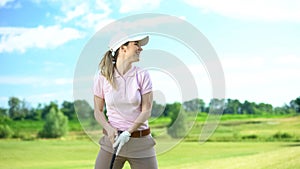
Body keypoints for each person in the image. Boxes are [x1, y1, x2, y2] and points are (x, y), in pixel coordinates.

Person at [93, 34, 158, 169]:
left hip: (141, 142)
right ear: (123, 48)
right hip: (112, 142)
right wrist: (108, 128)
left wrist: (128, 132)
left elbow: (147, 110)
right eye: (136, 44)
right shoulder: (102, 77)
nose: (141, 49)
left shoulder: (142, 75)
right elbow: (98, 111)